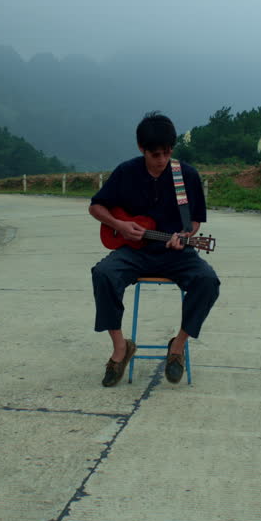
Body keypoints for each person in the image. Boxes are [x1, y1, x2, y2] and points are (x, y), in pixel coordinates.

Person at [89, 112, 220, 387]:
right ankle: (121, 348)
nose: (162, 160)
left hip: (176, 254)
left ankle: (177, 347)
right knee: (103, 273)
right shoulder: (126, 172)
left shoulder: (186, 175)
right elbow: (96, 206)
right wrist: (119, 225)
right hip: (134, 253)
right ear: (142, 149)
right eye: (155, 154)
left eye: (167, 152)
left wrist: (186, 235)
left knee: (207, 281)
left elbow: (194, 221)